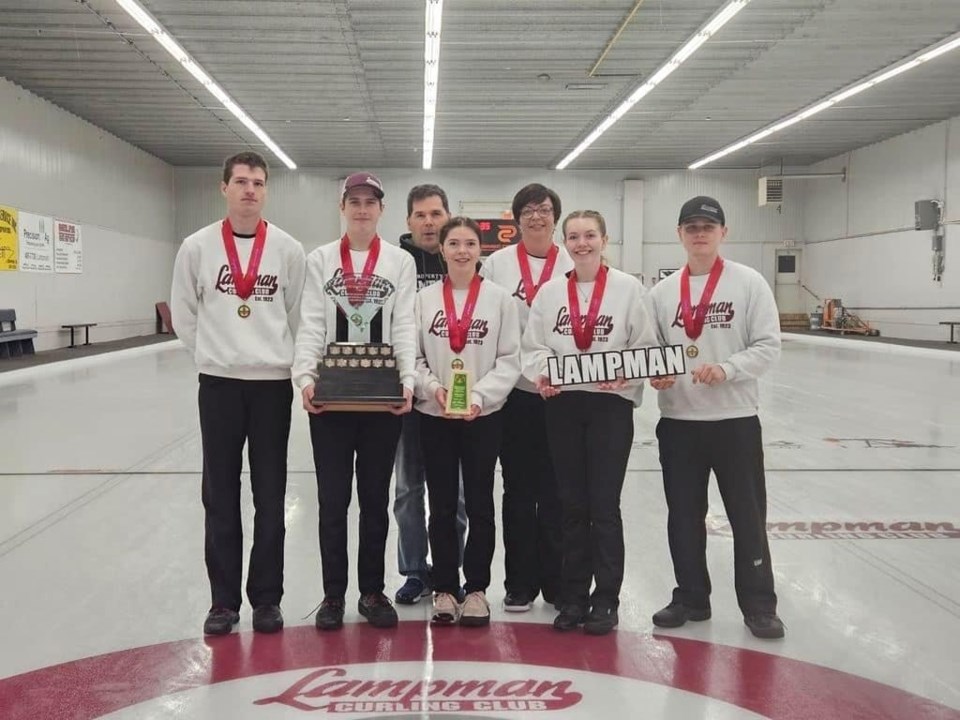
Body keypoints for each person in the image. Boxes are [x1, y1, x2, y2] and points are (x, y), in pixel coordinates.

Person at [170, 150, 306, 636]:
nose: (250, 190)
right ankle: (223, 602)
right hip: (220, 385)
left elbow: (298, 316)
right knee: (220, 494)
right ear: (224, 188)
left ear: (266, 191)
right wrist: (210, 352)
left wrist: (287, 360)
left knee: (270, 496)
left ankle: (267, 599)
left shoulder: (288, 250)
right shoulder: (198, 247)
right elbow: (183, 313)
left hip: (271, 385)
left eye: (258, 183)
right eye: (242, 182)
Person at [647, 195, 785, 639]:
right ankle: (690, 596)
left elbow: (768, 346)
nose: (700, 233)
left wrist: (727, 369)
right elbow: (651, 351)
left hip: (735, 420)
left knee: (747, 515)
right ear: (680, 235)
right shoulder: (662, 294)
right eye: (691, 226)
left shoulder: (749, 283)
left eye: (708, 226)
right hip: (679, 423)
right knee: (683, 516)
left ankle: (759, 604)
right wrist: (658, 375)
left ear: (723, 232)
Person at [522, 209, 658, 636]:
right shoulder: (548, 294)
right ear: (566, 242)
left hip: (608, 407)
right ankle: (573, 595)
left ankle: (606, 600)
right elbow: (534, 347)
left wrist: (627, 371)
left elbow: (645, 345)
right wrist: (543, 374)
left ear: (604, 239)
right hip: (563, 406)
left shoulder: (628, 289)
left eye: (590, 236)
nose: (582, 244)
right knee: (571, 506)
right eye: (574, 237)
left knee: (604, 506)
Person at [292, 172, 416, 630]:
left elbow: (404, 323)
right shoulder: (320, 259)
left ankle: (372, 591)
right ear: (342, 207)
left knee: (373, 500)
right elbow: (310, 323)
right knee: (331, 501)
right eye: (354, 201)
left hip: (382, 399)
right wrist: (305, 378)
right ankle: (332, 595)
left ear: (381, 209)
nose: (362, 209)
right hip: (332, 398)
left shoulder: (399, 261)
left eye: (370, 202)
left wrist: (407, 382)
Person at [414, 216, 521, 626]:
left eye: (470, 244)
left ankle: (476, 589)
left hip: (484, 415)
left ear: (481, 250)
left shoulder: (499, 300)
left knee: (480, 504)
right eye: (454, 243)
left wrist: (478, 396)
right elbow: (415, 355)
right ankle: (443, 588)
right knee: (440, 506)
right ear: (441, 249)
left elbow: (511, 359)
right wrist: (432, 389)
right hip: (435, 414)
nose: (462, 251)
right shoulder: (423, 300)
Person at [480, 183, 573, 612]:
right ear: (516, 219)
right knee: (517, 490)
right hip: (514, 394)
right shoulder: (497, 264)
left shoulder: (573, 261)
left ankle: (556, 581)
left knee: (556, 491)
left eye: (545, 209)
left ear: (555, 217)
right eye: (528, 210)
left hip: (560, 392)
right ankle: (519, 583)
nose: (537, 216)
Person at [393, 184, 467, 605]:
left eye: (436, 213)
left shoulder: (462, 258)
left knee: (452, 492)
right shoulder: (395, 263)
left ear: (447, 215)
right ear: (407, 221)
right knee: (407, 490)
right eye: (420, 214)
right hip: (408, 395)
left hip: (453, 396)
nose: (428, 221)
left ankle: (448, 570)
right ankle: (414, 571)